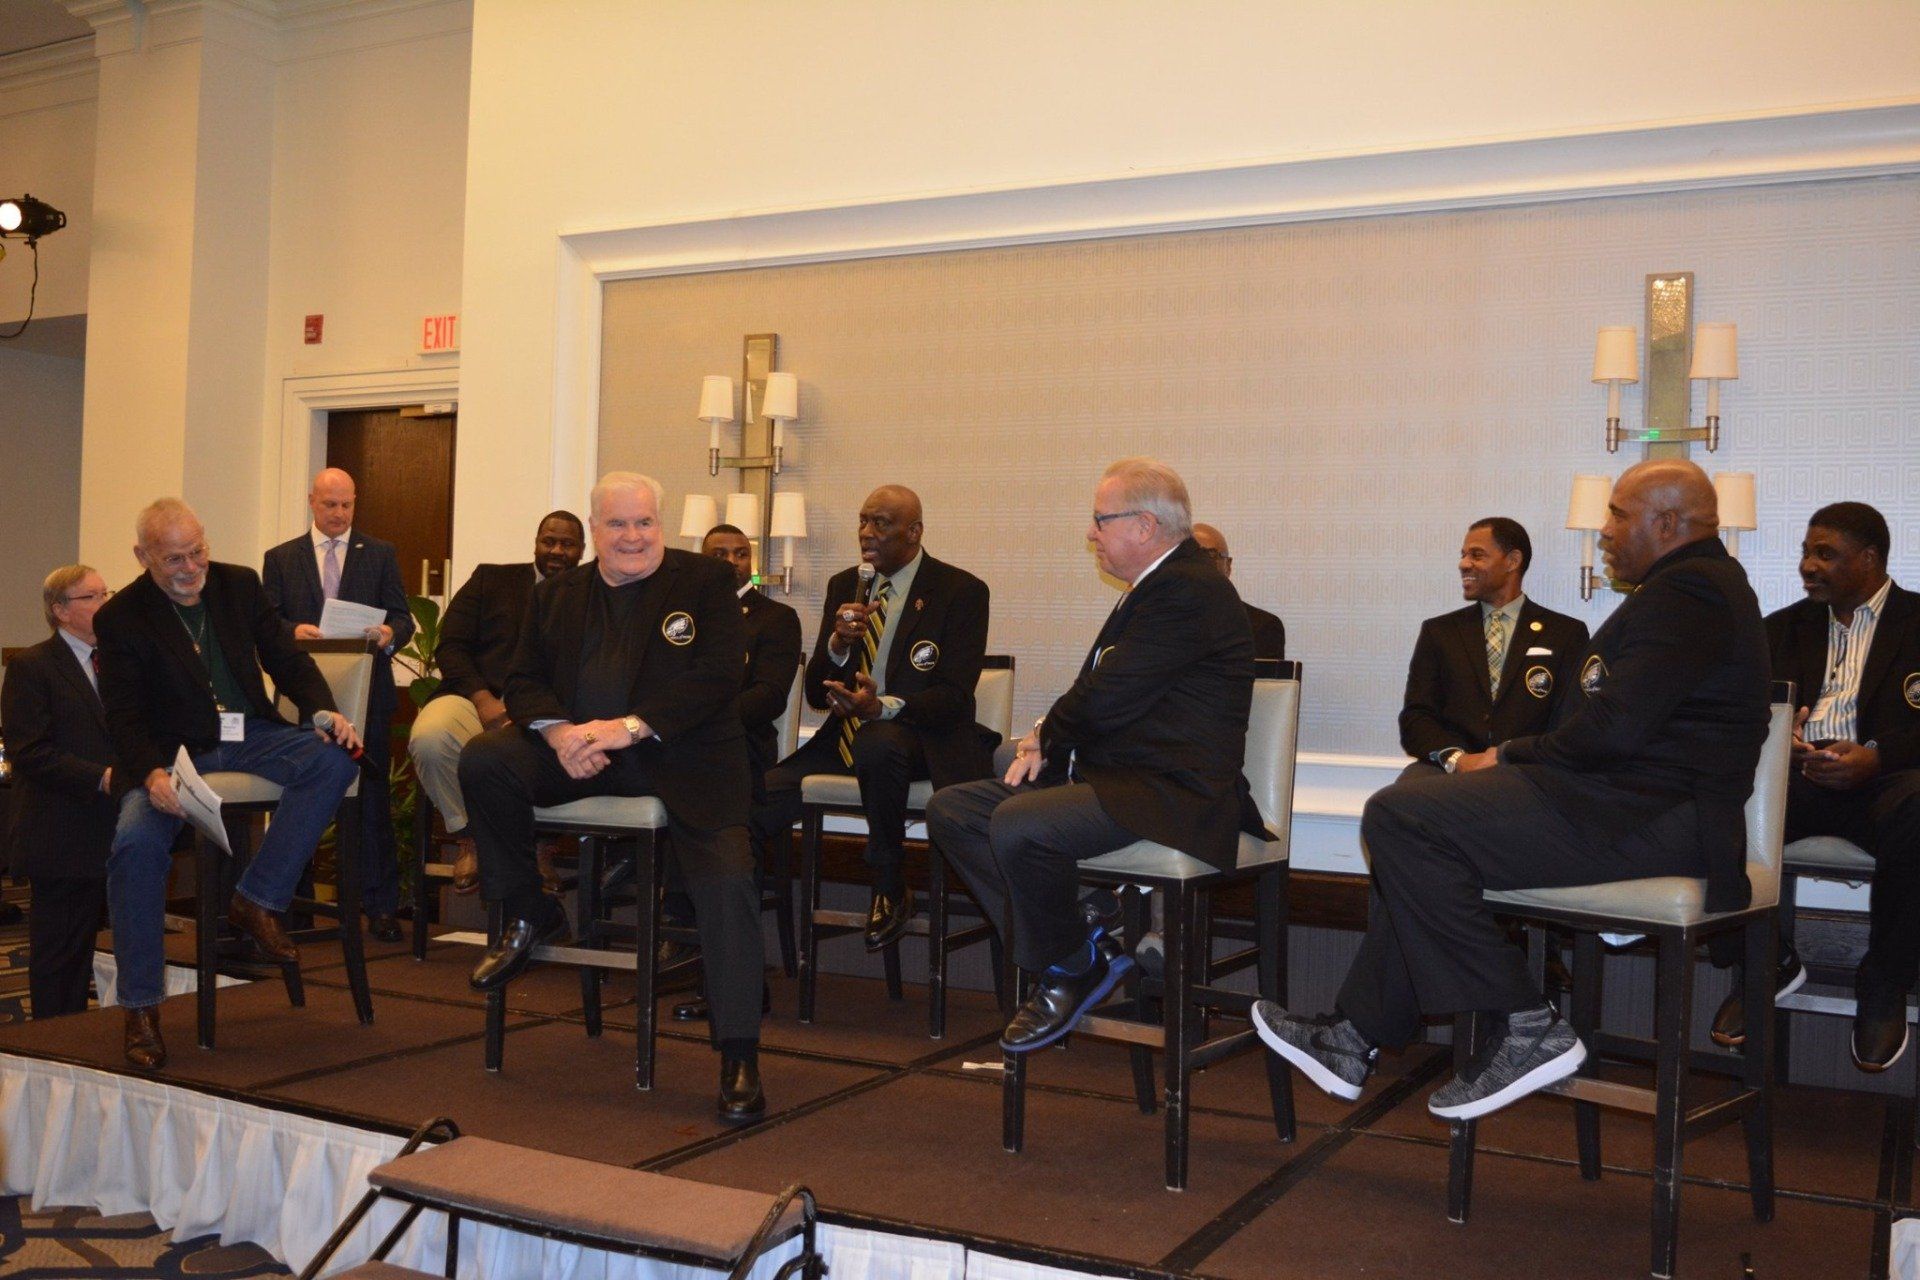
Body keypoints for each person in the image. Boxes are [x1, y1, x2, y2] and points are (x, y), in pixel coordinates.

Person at [1253, 460, 1770, 1121]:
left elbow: (1610, 730)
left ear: (1667, 522)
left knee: (1400, 818)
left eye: (1616, 514)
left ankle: (1524, 1022)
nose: (1604, 530)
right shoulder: (1690, 588)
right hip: (1621, 805)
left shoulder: (1692, 592)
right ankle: (1351, 1040)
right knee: (1421, 844)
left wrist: (1510, 754)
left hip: (1654, 819)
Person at [926, 458, 1270, 1051]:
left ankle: (1067, 966)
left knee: (1018, 822)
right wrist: (1048, 738)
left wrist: (1046, 735)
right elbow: (1105, 693)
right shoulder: (1157, 586)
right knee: (954, 810)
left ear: (1142, 525)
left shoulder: (1189, 589)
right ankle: (1081, 936)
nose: (1090, 533)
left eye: (1099, 520)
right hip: (1121, 779)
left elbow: (1110, 694)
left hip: (1176, 791)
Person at [458, 473, 768, 1122]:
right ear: (594, 531)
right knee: (487, 761)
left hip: (682, 760)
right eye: (619, 525)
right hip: (582, 754)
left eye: (646, 523)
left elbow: (717, 678)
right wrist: (562, 731)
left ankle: (739, 1053)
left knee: (729, 880)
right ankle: (529, 909)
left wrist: (627, 727)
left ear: (662, 524)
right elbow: (521, 680)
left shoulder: (704, 584)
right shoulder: (559, 594)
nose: (634, 536)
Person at [96, 499, 363, 1070]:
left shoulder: (239, 586)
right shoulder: (120, 618)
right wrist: (151, 773)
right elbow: (122, 715)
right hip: (170, 753)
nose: (192, 568)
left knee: (334, 762)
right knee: (135, 845)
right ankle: (141, 1008)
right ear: (143, 557)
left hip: (250, 735)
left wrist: (321, 710)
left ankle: (256, 899)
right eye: (174, 559)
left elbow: (288, 660)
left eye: (198, 552)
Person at [1710, 502, 1920, 1070]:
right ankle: (1763, 962)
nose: (1808, 564)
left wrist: (1877, 758)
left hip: (1891, 785)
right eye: (1806, 551)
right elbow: (1740, 718)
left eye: (1825, 553)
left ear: (1870, 558)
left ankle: (1885, 982)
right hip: (1799, 779)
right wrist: (1785, 742)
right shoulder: (1779, 630)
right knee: (1714, 805)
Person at [752, 485, 995, 951]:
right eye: (862, 521)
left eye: (880, 523)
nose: (866, 533)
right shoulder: (846, 585)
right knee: (755, 798)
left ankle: (888, 881)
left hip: (922, 740)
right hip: (843, 739)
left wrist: (882, 706)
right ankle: (728, 948)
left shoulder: (960, 591)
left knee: (879, 740)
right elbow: (817, 693)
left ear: (914, 531)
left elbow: (955, 698)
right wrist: (838, 646)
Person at [262, 468, 414, 941]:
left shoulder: (380, 553)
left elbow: (403, 617)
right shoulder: (282, 558)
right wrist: (291, 632)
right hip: (303, 694)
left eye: (347, 505)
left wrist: (390, 633)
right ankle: (291, 907)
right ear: (312, 501)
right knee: (296, 797)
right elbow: (266, 622)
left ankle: (381, 907)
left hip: (368, 691)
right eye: (331, 505)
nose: (340, 514)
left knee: (371, 802)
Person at [408, 511, 585, 892]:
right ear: (535, 544)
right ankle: (469, 836)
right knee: (431, 738)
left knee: (558, 750)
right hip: (475, 696)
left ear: (582, 551)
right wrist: (484, 700)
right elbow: (451, 645)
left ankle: (539, 847)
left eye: (568, 544)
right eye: (549, 541)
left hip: (549, 711)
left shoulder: (591, 595)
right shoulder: (492, 579)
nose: (557, 551)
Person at [670, 523, 802, 1024]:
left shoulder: (776, 618)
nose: (729, 562)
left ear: (752, 560)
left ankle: (725, 977)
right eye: (717, 554)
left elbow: (769, 696)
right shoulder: (681, 619)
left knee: (714, 815)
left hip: (740, 749)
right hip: (679, 748)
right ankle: (677, 934)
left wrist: (700, 722)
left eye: (739, 554)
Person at [2, 566, 116, 1017]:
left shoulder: (117, 662)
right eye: (92, 597)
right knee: (59, 955)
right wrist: (101, 777)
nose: (104, 604)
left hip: (112, 829)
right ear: (61, 611)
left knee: (99, 947)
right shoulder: (32, 666)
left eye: (106, 593)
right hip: (60, 831)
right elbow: (30, 751)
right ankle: (53, 1043)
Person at [1399, 518, 1588, 777]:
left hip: (1529, 772)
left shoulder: (1565, 634)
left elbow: (1575, 719)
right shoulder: (1439, 632)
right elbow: (1416, 718)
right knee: (1394, 801)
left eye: (1477, 555)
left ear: (1512, 561)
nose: (1464, 563)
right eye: (1464, 555)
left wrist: (1513, 755)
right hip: (1453, 771)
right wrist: (1458, 759)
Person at [1191, 522, 1287, 661]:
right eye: (1189, 557)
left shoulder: (1263, 627)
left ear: (1228, 566)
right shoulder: (1156, 622)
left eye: (1210, 555)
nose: (1199, 565)